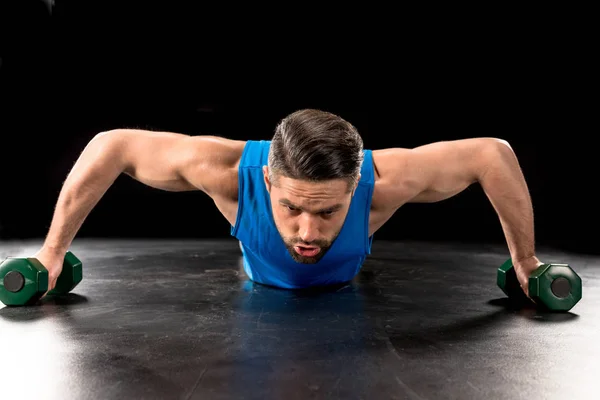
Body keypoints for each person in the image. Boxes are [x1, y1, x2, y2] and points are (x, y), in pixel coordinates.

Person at [33, 108, 542, 298]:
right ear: (268, 181)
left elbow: (492, 155)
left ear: (356, 184)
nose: (307, 232)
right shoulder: (228, 172)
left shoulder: (385, 183)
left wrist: (526, 261)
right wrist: (51, 252)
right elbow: (112, 145)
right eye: (291, 208)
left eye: (327, 213)